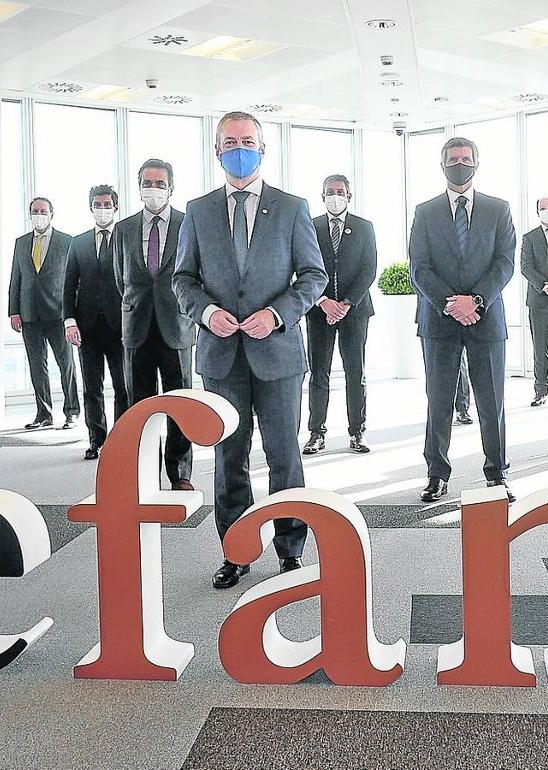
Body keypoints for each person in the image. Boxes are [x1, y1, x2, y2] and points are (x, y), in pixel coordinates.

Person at [173, 111, 327, 590]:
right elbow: (183, 279)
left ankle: (290, 551)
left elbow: (313, 276)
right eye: (229, 141)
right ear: (216, 151)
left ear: (263, 148)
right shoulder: (197, 212)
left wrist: (278, 314)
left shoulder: (292, 207)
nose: (238, 148)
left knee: (284, 457)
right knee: (228, 459)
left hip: (278, 353)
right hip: (221, 355)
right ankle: (236, 551)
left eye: (247, 140)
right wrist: (205, 312)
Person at [409, 136, 517, 504]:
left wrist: (477, 301)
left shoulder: (498, 209)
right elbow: (418, 267)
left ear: (477, 162)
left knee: (492, 402)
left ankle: (497, 473)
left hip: (486, 319)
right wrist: (450, 303)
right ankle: (436, 474)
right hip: (439, 321)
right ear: (442, 165)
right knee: (438, 402)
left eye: (465, 158)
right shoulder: (425, 211)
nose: (460, 164)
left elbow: (505, 263)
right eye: (453, 159)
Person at [112, 161, 195, 487]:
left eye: (160, 183)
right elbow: (122, 279)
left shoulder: (188, 224)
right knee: (140, 407)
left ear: (171, 188)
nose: (153, 188)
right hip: (137, 327)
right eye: (147, 182)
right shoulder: (124, 228)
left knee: (179, 406)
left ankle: (179, 473)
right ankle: (145, 474)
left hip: (176, 325)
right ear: (139, 186)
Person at [303, 174, 378, 455]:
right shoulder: (310, 226)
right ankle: (316, 432)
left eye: (340, 191)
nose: (335, 196)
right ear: (322, 197)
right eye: (329, 192)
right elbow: (303, 267)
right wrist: (323, 301)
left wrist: (345, 304)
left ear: (349, 196)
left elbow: (368, 269)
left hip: (355, 311)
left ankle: (357, 431)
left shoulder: (364, 227)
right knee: (318, 373)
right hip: (319, 310)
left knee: (355, 371)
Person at [66, 185, 127, 460]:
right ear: (90, 207)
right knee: (92, 387)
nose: (102, 209)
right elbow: (68, 286)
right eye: (97, 204)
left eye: (106, 204)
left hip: (121, 326)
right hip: (87, 326)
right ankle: (96, 439)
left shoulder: (126, 238)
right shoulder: (77, 243)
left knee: (123, 386)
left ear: (115, 207)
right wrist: (69, 321)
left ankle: (122, 440)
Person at [10, 197, 79, 430]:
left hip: (57, 312)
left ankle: (72, 411)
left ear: (51, 214)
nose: (38, 214)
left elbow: (73, 281)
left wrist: (72, 314)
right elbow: (15, 279)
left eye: (42, 211)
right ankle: (44, 413)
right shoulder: (21, 243)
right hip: (29, 314)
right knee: (36, 365)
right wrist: (14, 311)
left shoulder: (66, 242)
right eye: (34, 211)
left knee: (65, 364)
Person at [519, 196, 548, 407]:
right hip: (539, 300)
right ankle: (540, 390)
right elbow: (526, 267)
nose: (547, 211)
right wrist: (545, 286)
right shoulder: (529, 237)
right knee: (540, 347)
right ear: (537, 212)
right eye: (542, 208)